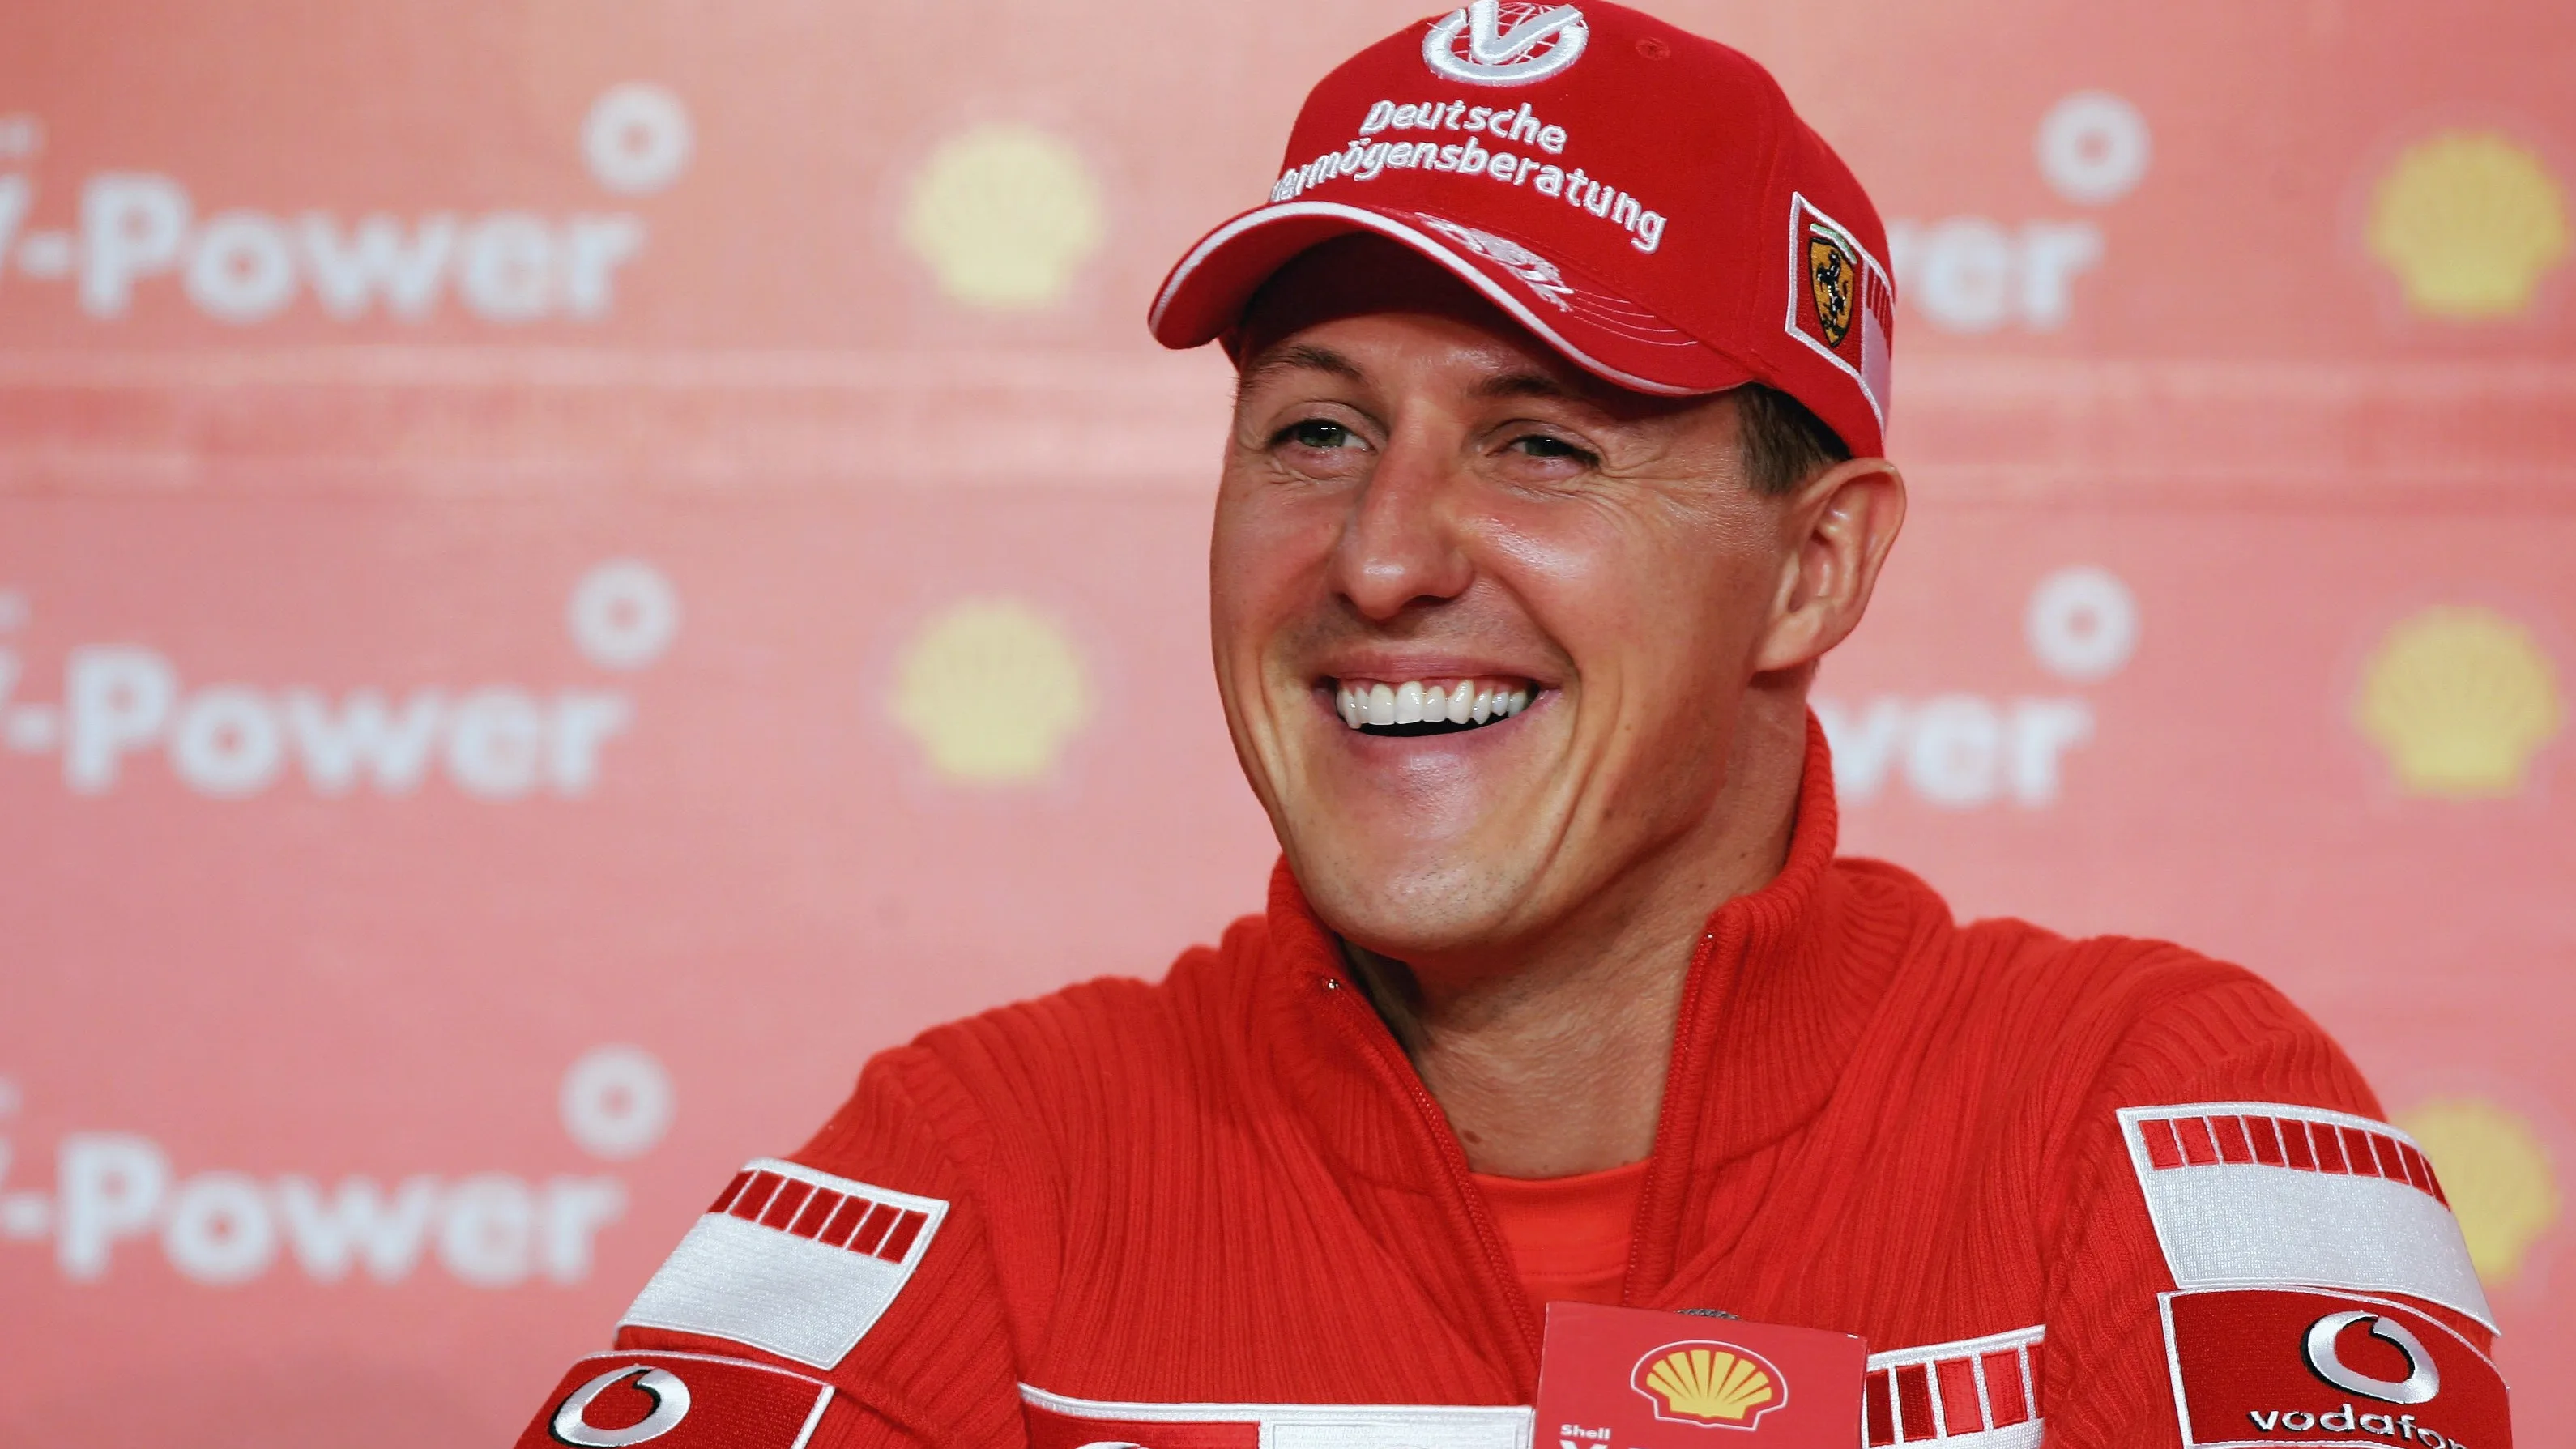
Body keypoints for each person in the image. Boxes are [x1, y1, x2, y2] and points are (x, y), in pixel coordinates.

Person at [515, 6, 2506, 1447]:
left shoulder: (2165, 1127)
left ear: (1813, 572)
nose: (1381, 559)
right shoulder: (978, 1165)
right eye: (1316, 429)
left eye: (1542, 443)